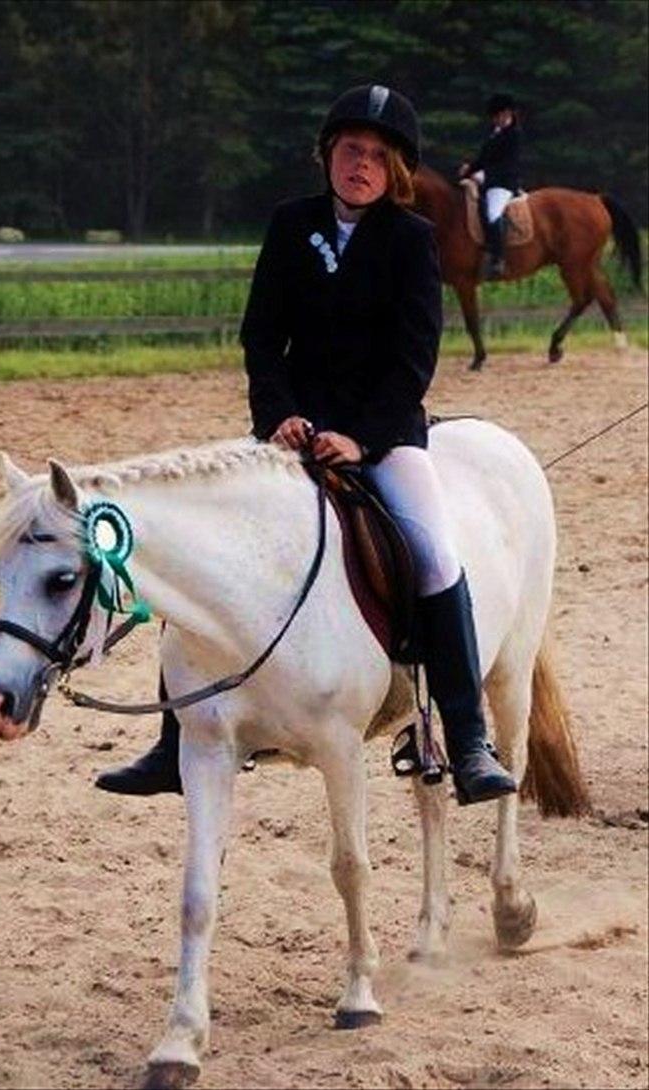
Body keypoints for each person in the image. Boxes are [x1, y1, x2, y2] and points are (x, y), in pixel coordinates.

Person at [96, 83, 516, 806]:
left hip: (382, 439)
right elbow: (262, 336)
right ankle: (172, 743)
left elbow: (415, 357)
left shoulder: (412, 240)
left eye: (376, 157)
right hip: (290, 434)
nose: (360, 165)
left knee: (434, 552)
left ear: (395, 172)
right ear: (329, 155)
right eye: (350, 150)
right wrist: (279, 416)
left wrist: (364, 437)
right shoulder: (291, 225)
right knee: (210, 536)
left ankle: (469, 737)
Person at [458, 92, 522, 279]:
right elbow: (483, 159)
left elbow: (508, 165)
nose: (497, 119)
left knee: (492, 214)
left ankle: (498, 258)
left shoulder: (514, 135)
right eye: (495, 116)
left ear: (508, 113)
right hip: (488, 181)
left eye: (500, 115)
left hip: (503, 184)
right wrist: (469, 170)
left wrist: (483, 176)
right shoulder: (494, 133)